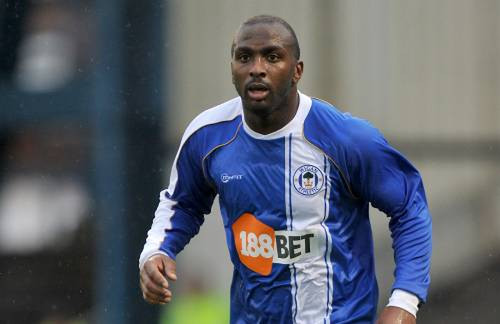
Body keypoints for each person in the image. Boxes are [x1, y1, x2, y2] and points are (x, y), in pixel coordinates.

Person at [139, 15, 432, 324]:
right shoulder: (207, 136)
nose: (257, 68)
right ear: (232, 68)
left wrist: (404, 301)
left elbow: (409, 205)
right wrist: (156, 251)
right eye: (244, 57)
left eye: (272, 56)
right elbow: (181, 202)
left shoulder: (346, 138)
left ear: (297, 71)